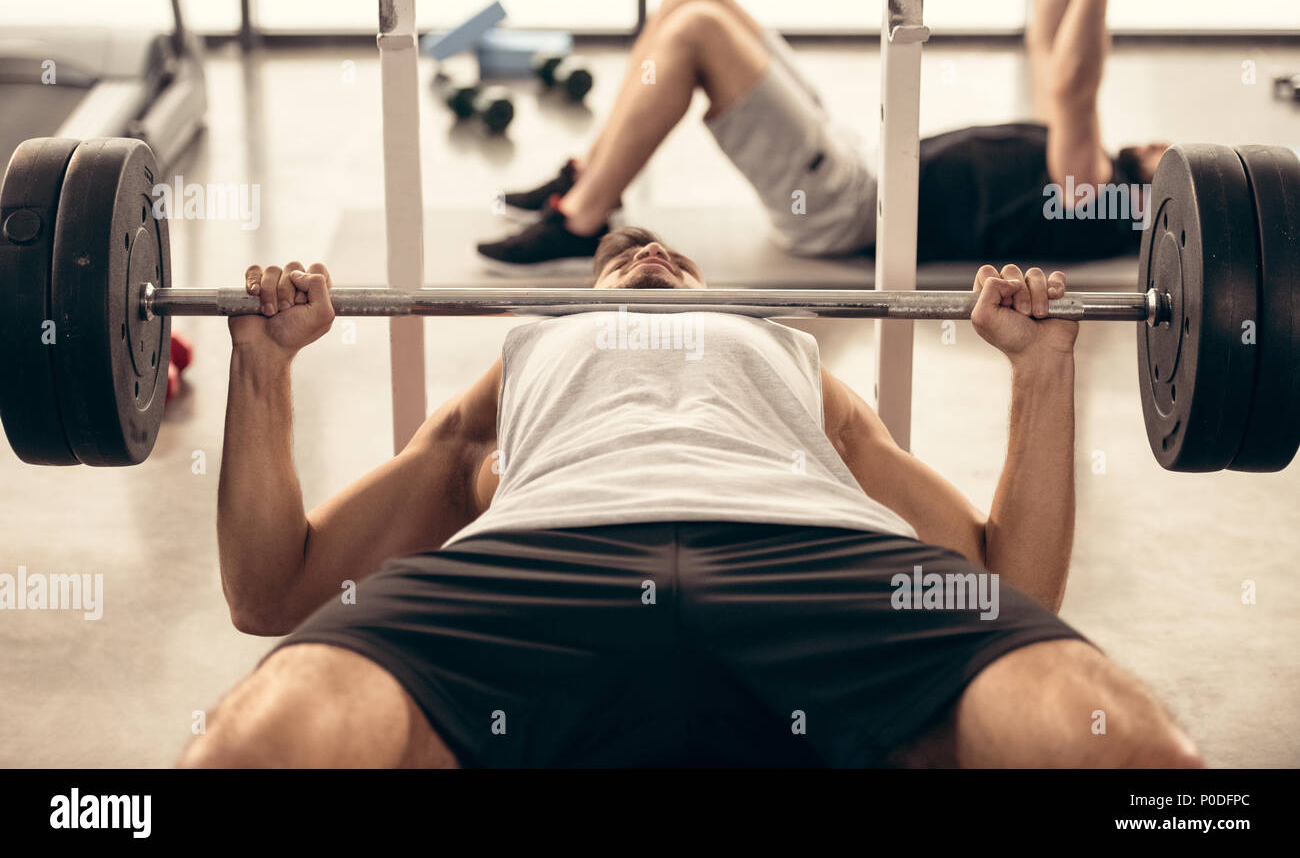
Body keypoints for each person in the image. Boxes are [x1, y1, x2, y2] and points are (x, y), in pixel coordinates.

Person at [178, 231, 1203, 768]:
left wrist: (1040, 371)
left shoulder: (784, 353)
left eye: (670, 255)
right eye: (622, 259)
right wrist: (262, 367)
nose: (650, 255)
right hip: (543, 561)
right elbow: (274, 589)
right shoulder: (531, 353)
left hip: (818, 559)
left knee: (1136, 751)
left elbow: (1013, 582)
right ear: (581, 302)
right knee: (252, 752)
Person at [476, 0, 1170, 276]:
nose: (1171, 142)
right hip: (856, 163)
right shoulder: (1088, 174)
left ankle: (581, 220)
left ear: (1152, 192)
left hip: (845, 209)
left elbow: (1078, 81)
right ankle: (588, 175)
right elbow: (1048, 39)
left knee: (695, 35)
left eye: (1176, 157)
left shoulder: (1093, 195)